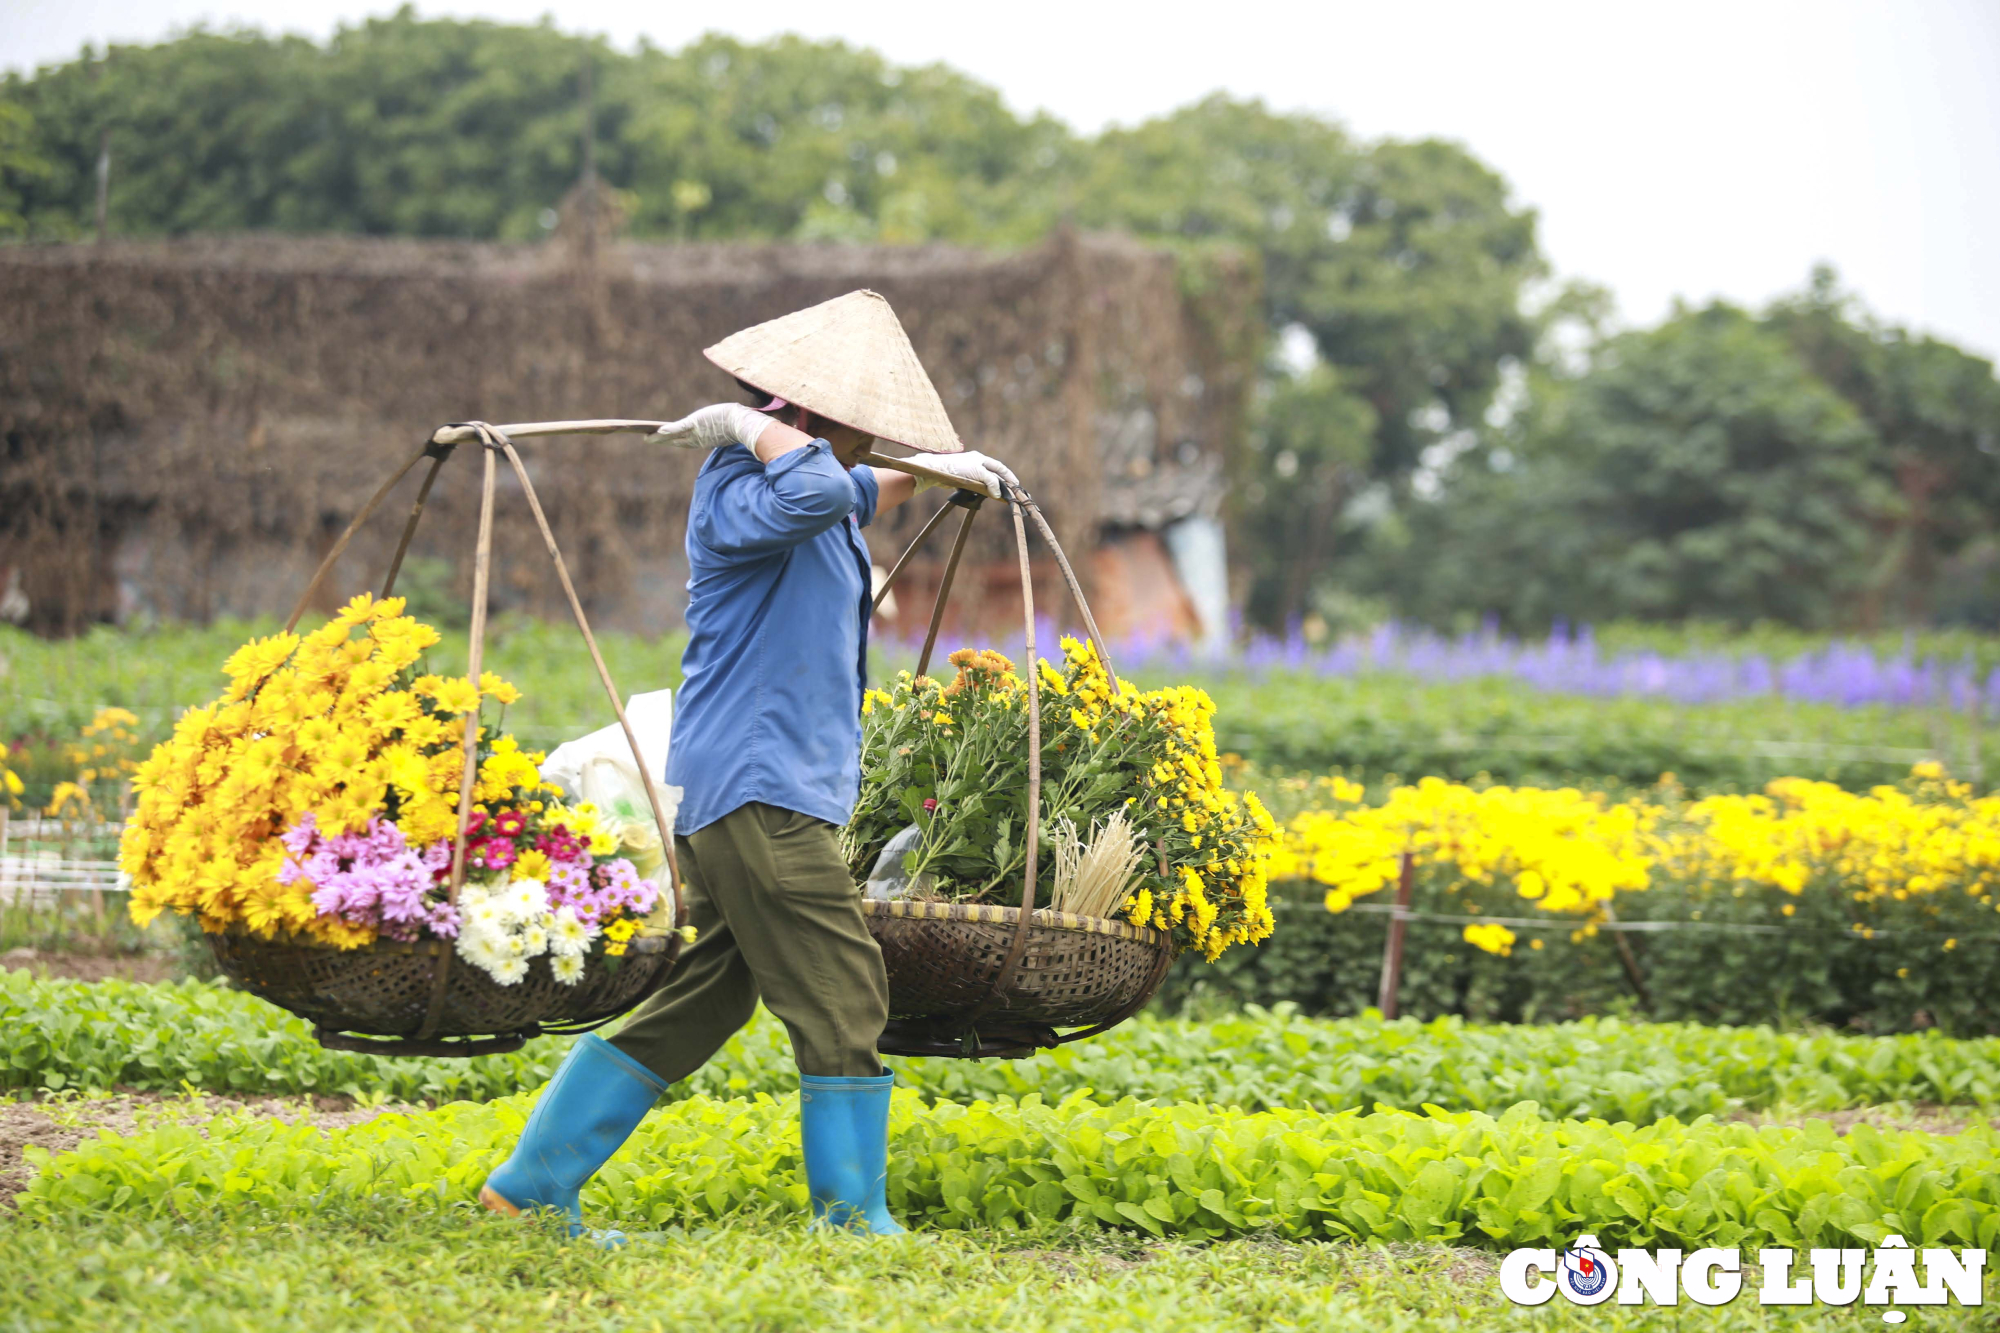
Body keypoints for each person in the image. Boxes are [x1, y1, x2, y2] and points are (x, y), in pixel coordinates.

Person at [477, 289, 1018, 1240]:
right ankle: (853, 1220)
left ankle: (528, 1185)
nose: (867, 442)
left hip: (762, 786)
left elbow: (851, 488)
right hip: (759, 787)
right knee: (846, 987)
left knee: (710, 992)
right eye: (857, 425)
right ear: (804, 416)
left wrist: (932, 472)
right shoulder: (739, 479)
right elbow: (812, 488)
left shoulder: (816, 484)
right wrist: (746, 427)